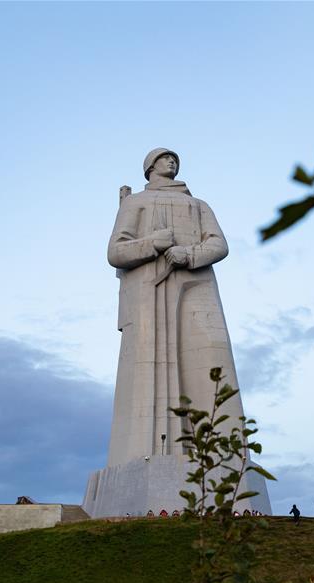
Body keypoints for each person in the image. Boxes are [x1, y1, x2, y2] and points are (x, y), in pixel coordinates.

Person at [107, 148, 247, 467]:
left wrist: (189, 254)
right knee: (150, 373)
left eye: (175, 160)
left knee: (214, 364)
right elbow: (116, 252)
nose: (172, 163)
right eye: (165, 158)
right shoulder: (135, 202)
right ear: (150, 167)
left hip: (197, 286)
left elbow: (219, 244)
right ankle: (149, 456)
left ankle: (226, 463)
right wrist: (153, 243)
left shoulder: (199, 205)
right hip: (149, 293)